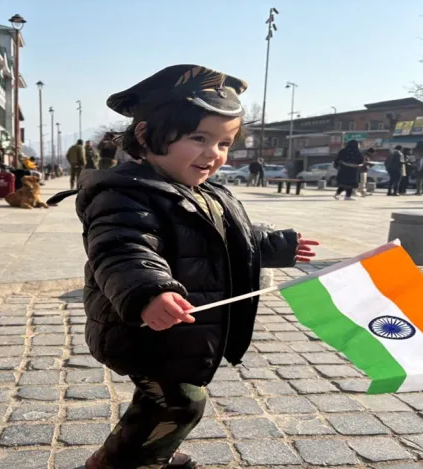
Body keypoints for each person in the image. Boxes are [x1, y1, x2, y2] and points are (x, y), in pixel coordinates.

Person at [71, 64, 318, 469]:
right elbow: (123, 249)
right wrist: (150, 291)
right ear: (146, 136)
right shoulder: (123, 195)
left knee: (165, 399)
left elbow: (229, 237)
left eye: (224, 143)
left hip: (183, 328)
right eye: (199, 138)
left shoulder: (203, 190)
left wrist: (276, 245)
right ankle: (122, 461)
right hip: (145, 326)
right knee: (180, 401)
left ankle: (147, 451)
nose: (213, 154)